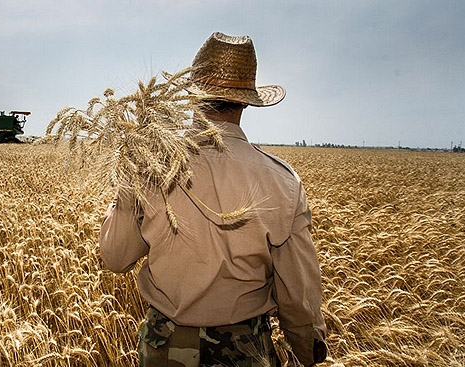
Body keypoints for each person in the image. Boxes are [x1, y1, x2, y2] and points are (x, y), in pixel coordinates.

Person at [99, 32, 327, 367]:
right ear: (247, 101)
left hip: (163, 349)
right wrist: (308, 352)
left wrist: (128, 181)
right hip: (245, 351)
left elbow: (116, 257)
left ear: (190, 95)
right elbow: (299, 297)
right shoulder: (283, 182)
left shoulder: (147, 167)